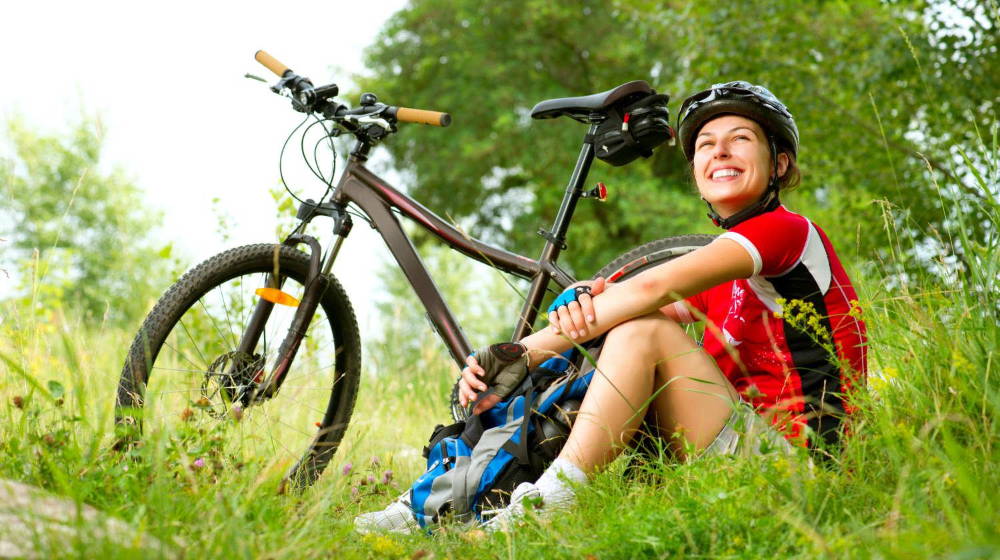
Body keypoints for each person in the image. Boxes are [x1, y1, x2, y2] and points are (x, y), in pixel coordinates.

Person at [355, 81, 867, 533]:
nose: (720, 152)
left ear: (779, 163)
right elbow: (616, 320)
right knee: (579, 358)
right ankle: (445, 495)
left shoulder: (786, 232)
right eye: (706, 146)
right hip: (739, 453)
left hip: (802, 467)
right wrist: (503, 360)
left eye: (741, 140)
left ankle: (548, 503)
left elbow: (646, 297)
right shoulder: (726, 270)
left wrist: (519, 352)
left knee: (635, 333)